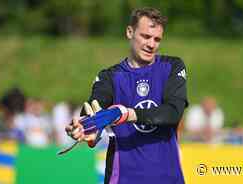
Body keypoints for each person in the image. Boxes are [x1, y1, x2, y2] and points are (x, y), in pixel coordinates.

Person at [65, 7, 188, 184]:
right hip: (123, 179)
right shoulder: (109, 77)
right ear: (130, 32)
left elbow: (173, 112)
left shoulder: (172, 66)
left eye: (157, 39)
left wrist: (128, 114)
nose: (151, 44)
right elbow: (95, 107)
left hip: (169, 179)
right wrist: (86, 128)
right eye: (146, 36)